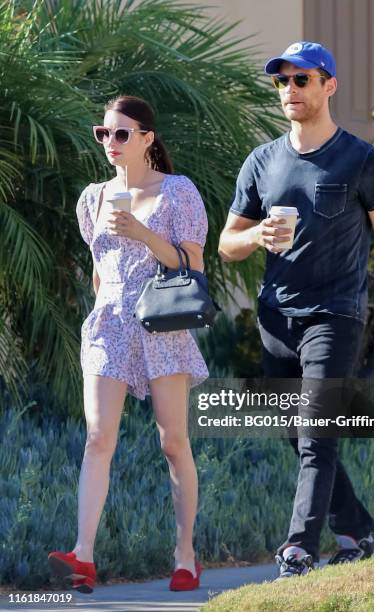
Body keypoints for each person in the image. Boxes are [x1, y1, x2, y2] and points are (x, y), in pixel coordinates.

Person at [218, 41, 374, 578]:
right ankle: (356, 527)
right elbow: (225, 243)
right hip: (275, 318)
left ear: (329, 86)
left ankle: (298, 549)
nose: (290, 90)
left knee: (316, 431)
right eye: (282, 81)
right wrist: (257, 234)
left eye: (301, 80)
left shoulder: (362, 160)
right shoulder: (261, 161)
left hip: (336, 315)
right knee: (296, 430)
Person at [48, 95, 208, 593]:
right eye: (103, 134)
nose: (110, 143)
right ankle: (84, 555)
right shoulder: (93, 197)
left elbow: (193, 267)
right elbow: (99, 273)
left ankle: (185, 555)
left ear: (146, 138)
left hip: (161, 319)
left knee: (173, 441)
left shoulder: (178, 192)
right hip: (109, 324)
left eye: (121, 134)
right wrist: (101, 317)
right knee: (99, 437)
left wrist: (141, 233)